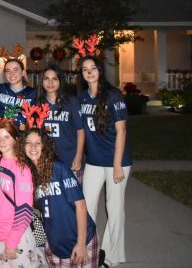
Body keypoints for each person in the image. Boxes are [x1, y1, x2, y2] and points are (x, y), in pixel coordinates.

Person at [77, 55, 130, 266]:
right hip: (94, 161)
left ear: (100, 70)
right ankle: (90, 249)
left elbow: (122, 130)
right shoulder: (82, 97)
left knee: (114, 208)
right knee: (86, 206)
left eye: (93, 68)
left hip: (117, 161)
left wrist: (117, 165)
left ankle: (111, 256)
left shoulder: (113, 95)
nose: (89, 72)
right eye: (84, 69)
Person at [22, 128, 98, 268]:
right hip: (55, 246)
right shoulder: (30, 175)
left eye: (38, 143)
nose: (33, 147)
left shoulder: (59, 168)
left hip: (81, 240)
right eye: (28, 143)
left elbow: (81, 206)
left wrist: (81, 244)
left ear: (45, 146)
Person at [0, 120, 39, 268]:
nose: (2, 141)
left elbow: (25, 209)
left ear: (16, 139)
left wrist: (12, 242)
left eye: (7, 137)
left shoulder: (21, 169)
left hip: (14, 235)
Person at [37, 63, 85, 183]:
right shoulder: (37, 104)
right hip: (47, 158)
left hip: (70, 157)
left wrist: (78, 157)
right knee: (53, 197)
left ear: (60, 81)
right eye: (46, 79)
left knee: (74, 197)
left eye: (54, 79)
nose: (50, 83)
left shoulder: (71, 101)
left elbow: (80, 131)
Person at [0, 58, 36, 125]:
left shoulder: (33, 93)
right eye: (8, 71)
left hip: (24, 134)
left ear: (23, 73)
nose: (11, 74)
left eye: (15, 70)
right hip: (4, 133)